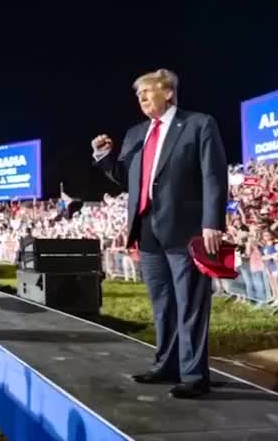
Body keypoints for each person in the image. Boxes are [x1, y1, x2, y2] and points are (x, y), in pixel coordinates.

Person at [91, 68, 227, 399]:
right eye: (137, 95)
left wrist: (213, 221)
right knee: (162, 303)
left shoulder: (198, 124)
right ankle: (166, 365)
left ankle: (194, 375)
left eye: (147, 91)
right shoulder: (136, 133)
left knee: (190, 304)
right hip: (147, 229)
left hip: (186, 229)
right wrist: (104, 156)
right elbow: (126, 178)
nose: (141, 98)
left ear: (168, 92)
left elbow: (214, 174)